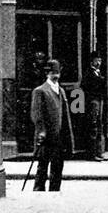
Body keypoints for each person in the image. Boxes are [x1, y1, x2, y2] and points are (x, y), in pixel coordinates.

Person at [31, 60, 74, 191]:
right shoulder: (40, 91)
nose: (55, 76)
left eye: (57, 73)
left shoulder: (60, 90)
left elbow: (65, 115)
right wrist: (41, 132)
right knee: (42, 167)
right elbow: (37, 115)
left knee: (57, 167)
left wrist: (68, 134)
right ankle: (38, 191)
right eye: (52, 73)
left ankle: (54, 191)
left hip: (59, 137)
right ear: (47, 74)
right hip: (46, 137)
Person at [84, 53, 108, 161]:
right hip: (93, 102)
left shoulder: (98, 73)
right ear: (91, 62)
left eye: (100, 60)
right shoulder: (89, 74)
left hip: (99, 101)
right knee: (93, 126)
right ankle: (92, 154)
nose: (98, 63)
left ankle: (99, 152)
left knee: (99, 126)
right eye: (96, 60)